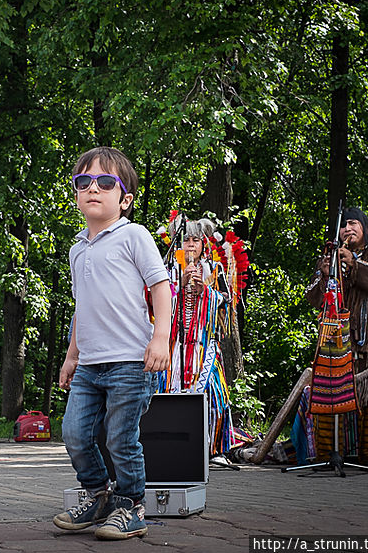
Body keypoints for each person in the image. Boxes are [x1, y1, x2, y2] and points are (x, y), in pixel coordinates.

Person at [54, 146, 172, 541]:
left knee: (121, 438)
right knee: (74, 433)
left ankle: (130, 506)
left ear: (125, 199)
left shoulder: (133, 235)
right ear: (75, 193)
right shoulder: (76, 249)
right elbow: (81, 307)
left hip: (129, 362)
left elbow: (160, 286)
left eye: (106, 182)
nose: (93, 189)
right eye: (83, 182)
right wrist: (72, 356)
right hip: (89, 364)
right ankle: (98, 496)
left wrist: (160, 339)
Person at [305, 207, 368, 465]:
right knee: (327, 398)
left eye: (352, 223)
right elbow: (313, 295)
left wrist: (355, 264)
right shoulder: (331, 258)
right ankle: (328, 458)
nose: (347, 229)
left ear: (365, 227)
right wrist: (326, 274)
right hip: (335, 342)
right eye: (343, 225)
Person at [159, 213, 246, 457]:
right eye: (186, 240)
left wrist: (204, 291)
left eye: (196, 240)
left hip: (204, 346)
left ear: (203, 244)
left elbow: (228, 302)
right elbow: (157, 304)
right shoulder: (168, 270)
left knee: (215, 399)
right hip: (175, 348)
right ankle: (174, 446)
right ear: (178, 244)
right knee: (170, 396)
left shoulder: (214, 269)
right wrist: (179, 288)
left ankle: (213, 449)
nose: (190, 245)